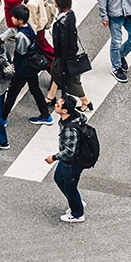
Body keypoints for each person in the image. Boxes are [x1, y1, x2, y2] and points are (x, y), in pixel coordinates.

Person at [42, 93, 91, 222]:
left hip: (72, 161)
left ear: (64, 111)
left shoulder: (70, 129)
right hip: (68, 160)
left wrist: (53, 157)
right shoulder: (75, 116)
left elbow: (70, 151)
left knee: (69, 187)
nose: (55, 106)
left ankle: (77, 213)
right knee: (59, 178)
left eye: (57, 105)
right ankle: (76, 202)